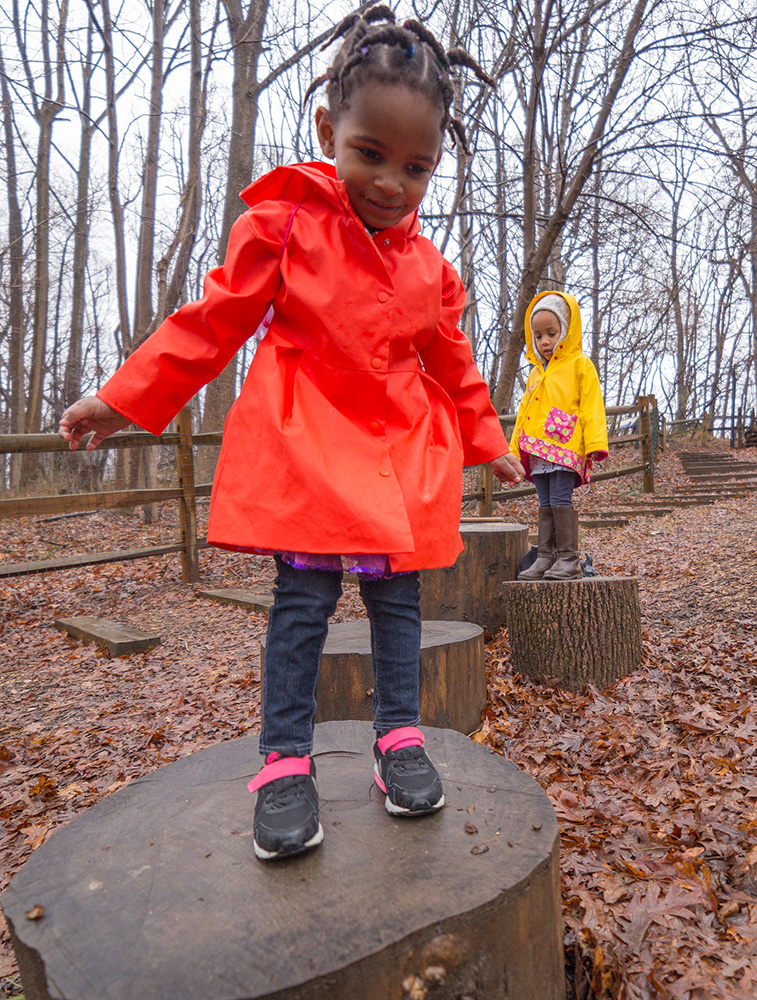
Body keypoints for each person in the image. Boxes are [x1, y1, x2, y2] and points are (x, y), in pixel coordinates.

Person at [58, 8, 525, 862]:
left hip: (393, 455)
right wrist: (119, 400)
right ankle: (282, 761)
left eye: (415, 167)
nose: (390, 181)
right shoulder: (284, 226)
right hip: (307, 446)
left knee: (396, 602)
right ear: (327, 132)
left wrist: (490, 442)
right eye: (369, 154)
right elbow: (208, 324)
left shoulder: (431, 271)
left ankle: (396, 740)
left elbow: (452, 364)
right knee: (302, 604)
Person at [510, 291, 608, 581]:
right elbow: (523, 415)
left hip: (565, 447)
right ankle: (545, 556)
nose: (545, 341)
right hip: (539, 451)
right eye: (538, 335)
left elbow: (592, 405)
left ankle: (569, 558)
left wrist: (596, 443)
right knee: (544, 502)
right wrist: (514, 449)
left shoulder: (580, 365)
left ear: (566, 329)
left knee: (560, 499)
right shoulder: (535, 373)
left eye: (551, 333)